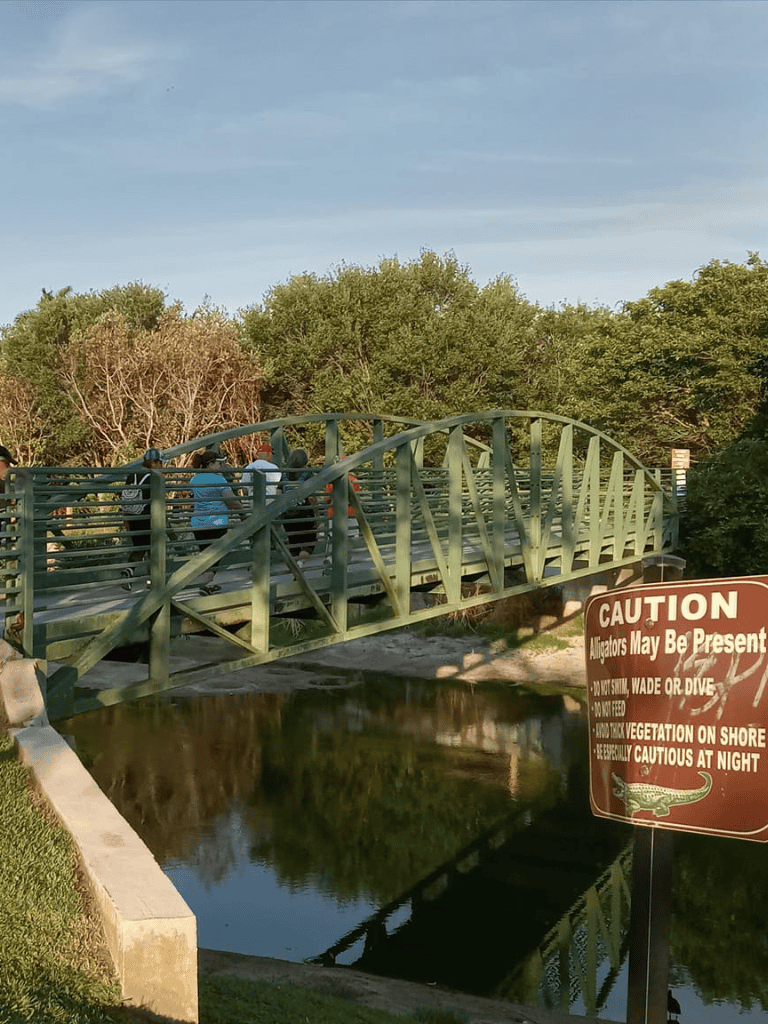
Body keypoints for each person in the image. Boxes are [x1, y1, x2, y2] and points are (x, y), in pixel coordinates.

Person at [189, 449, 242, 595]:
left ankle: (206, 586)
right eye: (218, 463)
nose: (220, 466)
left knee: (205, 556)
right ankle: (203, 584)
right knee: (215, 558)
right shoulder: (219, 479)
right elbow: (231, 500)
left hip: (198, 524)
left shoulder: (194, 479)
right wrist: (243, 510)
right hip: (216, 523)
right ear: (211, 464)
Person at [120, 448, 165, 591]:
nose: (162, 466)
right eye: (160, 463)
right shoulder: (155, 476)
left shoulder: (132, 475)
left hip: (132, 516)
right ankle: (151, 581)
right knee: (152, 549)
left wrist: (125, 517)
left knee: (139, 547)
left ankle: (130, 572)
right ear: (155, 462)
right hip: (148, 516)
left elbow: (125, 496)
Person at [280, 448, 318, 561]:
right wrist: (317, 514)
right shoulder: (307, 473)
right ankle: (301, 565)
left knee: (293, 543)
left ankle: (295, 570)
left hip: (288, 515)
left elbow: (278, 493)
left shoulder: (284, 473)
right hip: (305, 514)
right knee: (309, 543)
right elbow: (312, 497)